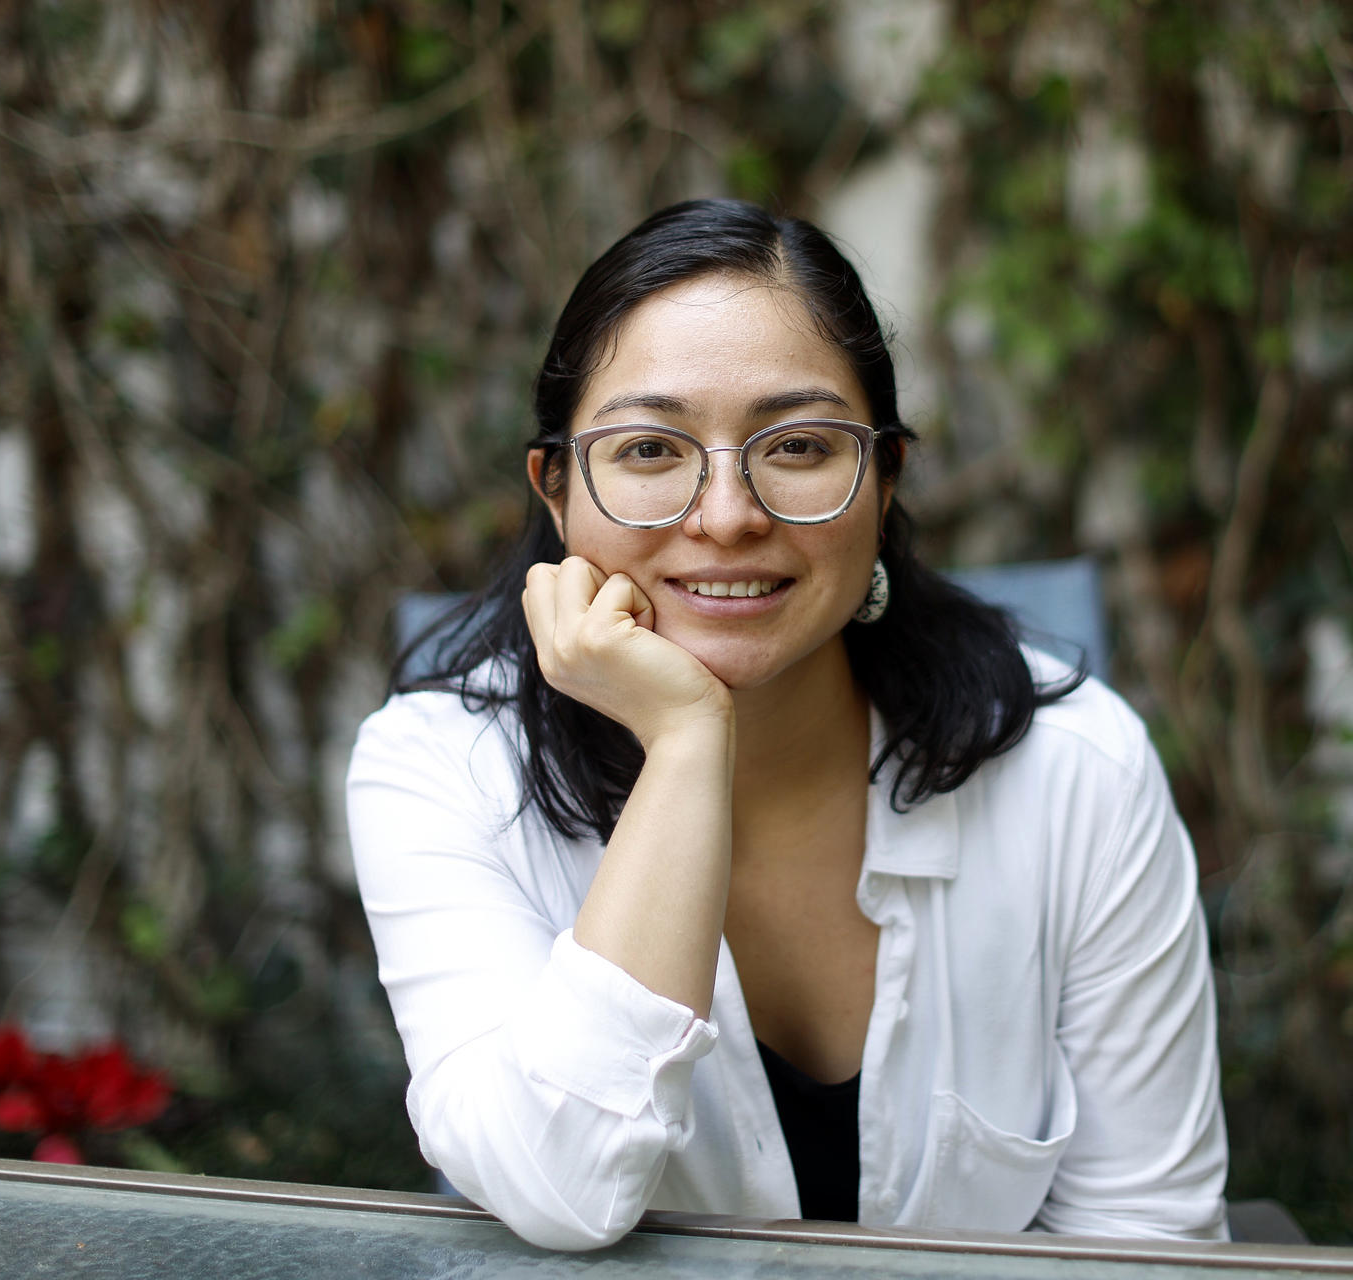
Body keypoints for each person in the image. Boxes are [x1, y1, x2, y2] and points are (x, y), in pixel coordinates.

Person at [345, 198, 1228, 1251]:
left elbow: (1148, 1242)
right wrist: (684, 743)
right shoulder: (437, 768)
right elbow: (559, 1186)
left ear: (887, 475)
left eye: (799, 443)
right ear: (556, 489)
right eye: (649, 450)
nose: (726, 515)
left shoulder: (1077, 769)